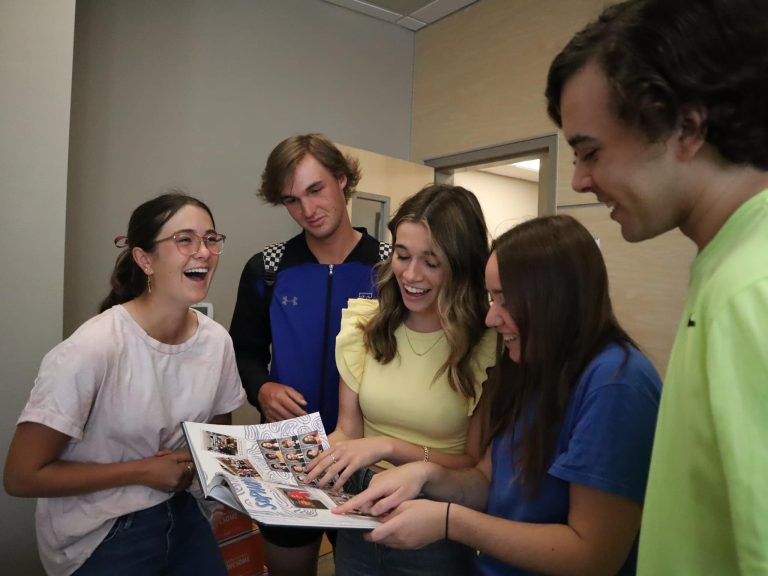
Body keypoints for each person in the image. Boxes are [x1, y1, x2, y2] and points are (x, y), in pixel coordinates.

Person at [544, 1, 768, 573]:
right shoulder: (726, 265)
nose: (579, 180)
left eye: (591, 152)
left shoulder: (752, 286)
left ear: (686, 127)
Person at [336, 215, 662, 576]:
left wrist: (449, 521)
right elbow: (484, 482)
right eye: (492, 298)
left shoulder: (616, 383)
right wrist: (426, 475)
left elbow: (591, 557)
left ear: (552, 299)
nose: (491, 318)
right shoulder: (529, 365)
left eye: (505, 301)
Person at [3, 193, 246, 576]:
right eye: (185, 240)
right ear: (144, 259)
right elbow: (20, 475)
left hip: (184, 511)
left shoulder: (216, 342)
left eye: (211, 239)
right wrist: (142, 471)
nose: (204, 252)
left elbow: (214, 438)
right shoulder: (94, 348)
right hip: (103, 529)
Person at [305, 184, 497, 576]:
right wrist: (315, 461)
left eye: (431, 262)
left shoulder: (486, 345)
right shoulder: (365, 328)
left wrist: (388, 446)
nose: (410, 275)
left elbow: (474, 467)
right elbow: (347, 431)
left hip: (435, 525)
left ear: (461, 265)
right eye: (401, 255)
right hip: (361, 513)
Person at [229, 133, 390, 575]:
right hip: (287, 454)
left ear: (342, 180)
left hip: (365, 456)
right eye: (292, 200)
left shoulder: (391, 267)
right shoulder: (267, 268)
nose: (307, 210)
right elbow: (242, 350)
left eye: (315, 190)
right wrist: (261, 388)